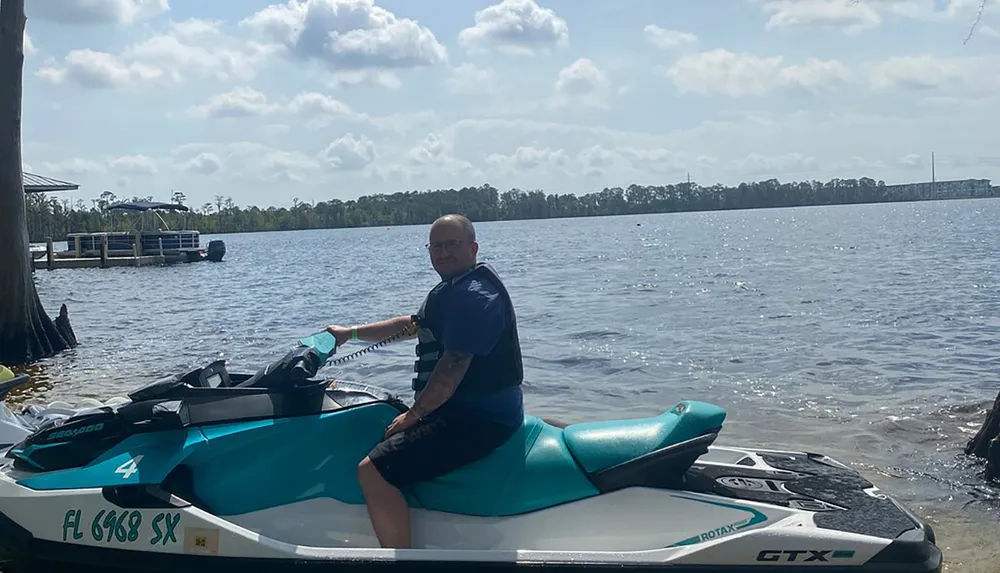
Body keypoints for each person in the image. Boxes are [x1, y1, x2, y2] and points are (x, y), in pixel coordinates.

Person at [325, 214, 524, 549]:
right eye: (437, 246)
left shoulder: (475, 296)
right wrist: (350, 334)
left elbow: (451, 369)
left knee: (371, 471)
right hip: (462, 410)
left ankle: (401, 560)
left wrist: (414, 415)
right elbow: (412, 326)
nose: (444, 253)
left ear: (473, 248)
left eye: (453, 245)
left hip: (480, 420)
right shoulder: (454, 289)